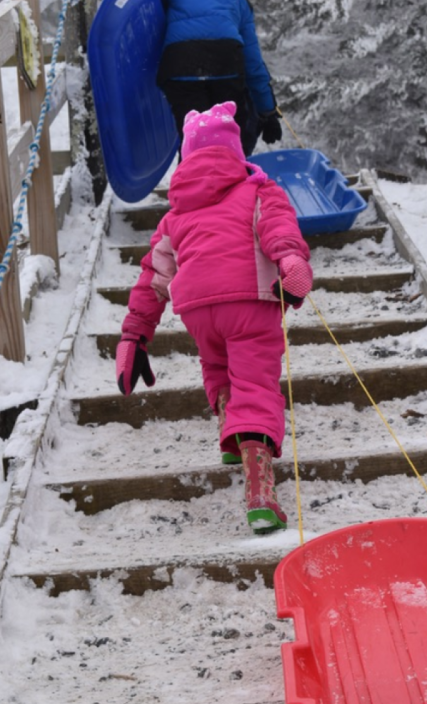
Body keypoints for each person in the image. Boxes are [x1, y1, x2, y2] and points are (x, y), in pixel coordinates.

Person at [115, 101, 312, 535]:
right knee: (256, 384)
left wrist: (135, 335)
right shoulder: (259, 190)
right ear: (235, 152)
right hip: (250, 302)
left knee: (218, 364)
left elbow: (153, 276)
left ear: (187, 158)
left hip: (198, 309)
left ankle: (230, 434)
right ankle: (260, 496)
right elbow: (278, 229)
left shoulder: (176, 214)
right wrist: (292, 262)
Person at [156, 0, 282, 156]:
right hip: (225, 63)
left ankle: (193, 173)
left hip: (180, 65)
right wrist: (267, 113)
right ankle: (234, 170)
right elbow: (253, 63)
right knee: (230, 143)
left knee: (193, 143)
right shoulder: (240, 3)